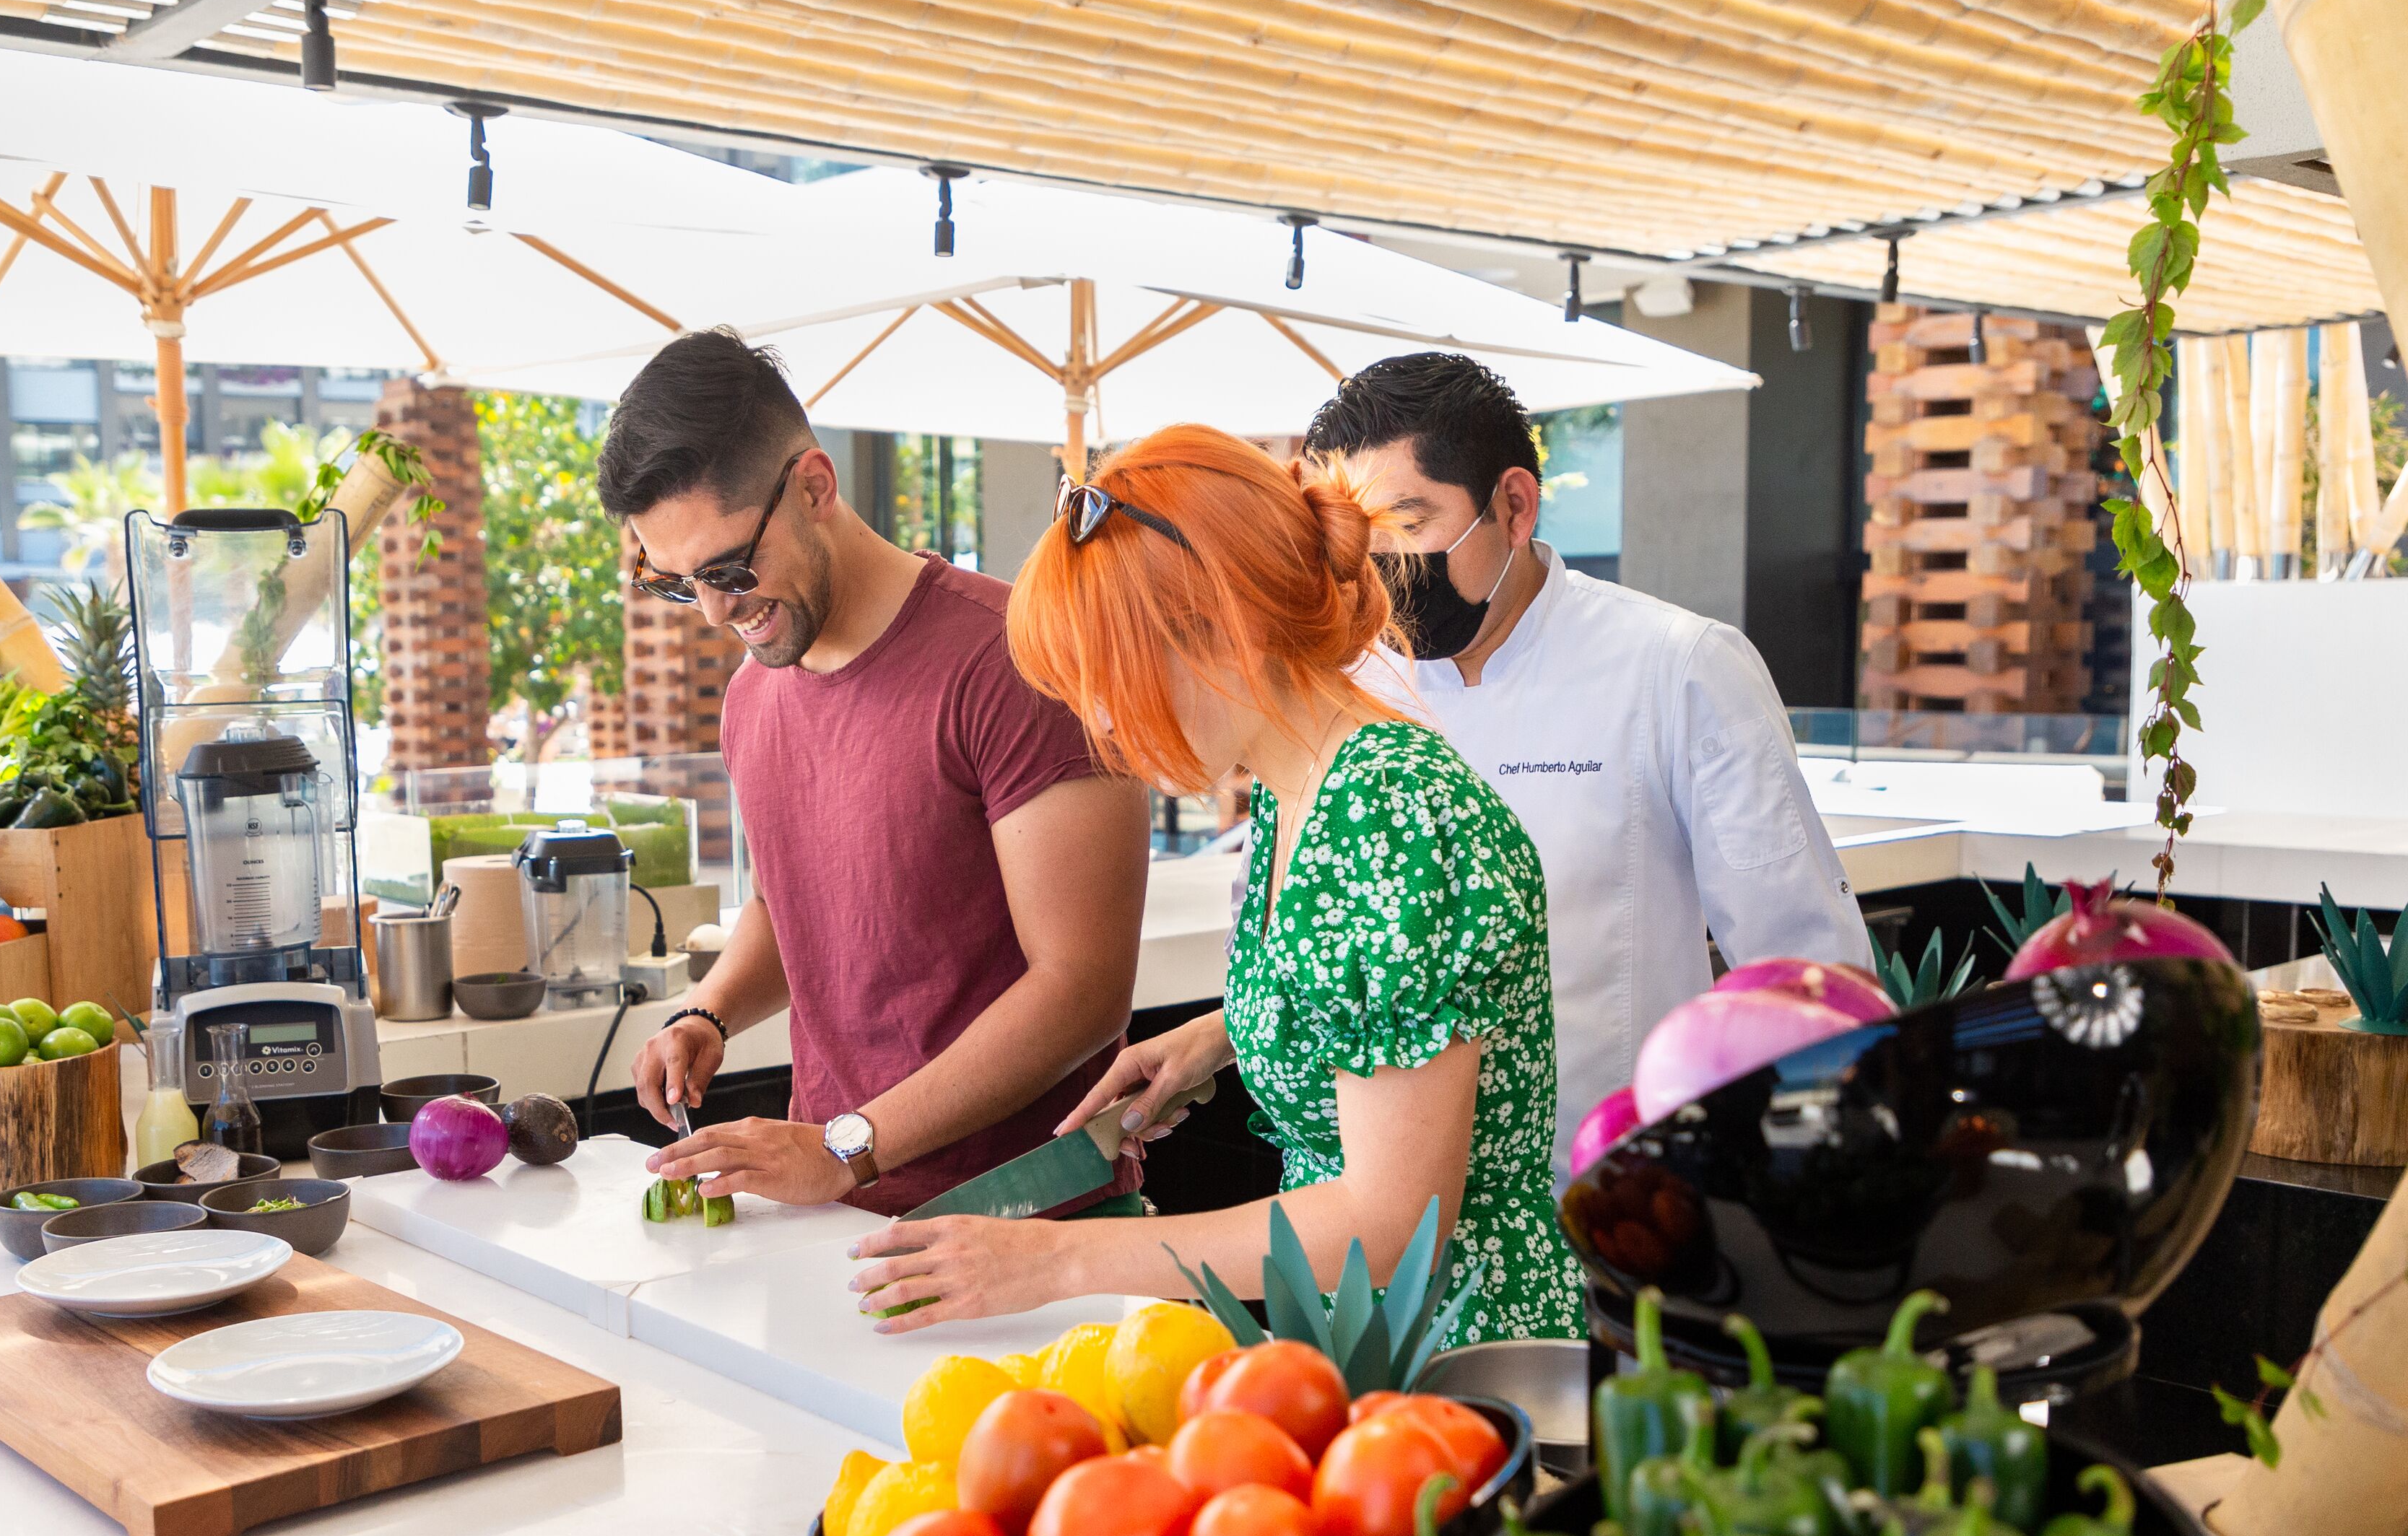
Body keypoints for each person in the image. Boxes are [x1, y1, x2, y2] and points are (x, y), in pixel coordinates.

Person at [849, 425, 1575, 1343]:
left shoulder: (1391, 810)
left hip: (1460, 1353)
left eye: (1111, 676)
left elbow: (1391, 1225)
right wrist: (1226, 1033)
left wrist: (1055, 1258)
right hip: (1354, 1337)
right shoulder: (1295, 786)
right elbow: (1367, 994)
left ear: (1225, 627)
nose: (1101, 720)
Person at [608, 330, 1152, 1218]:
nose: (711, 611)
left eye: (729, 568)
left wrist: (845, 1147)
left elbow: (1083, 991)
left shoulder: (1020, 661)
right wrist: (707, 1011)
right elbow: (797, 905)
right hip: (834, 1222)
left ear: (815, 487)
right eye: (674, 582)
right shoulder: (752, 697)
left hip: (1034, 1228)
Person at [1308, 353, 1872, 1187]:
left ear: (1515, 505)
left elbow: (1804, 968)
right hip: (1379, 1204)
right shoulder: (1345, 689)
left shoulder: (1678, 667)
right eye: (1359, 535)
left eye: (1407, 520)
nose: (1382, 564)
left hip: (1610, 1188)